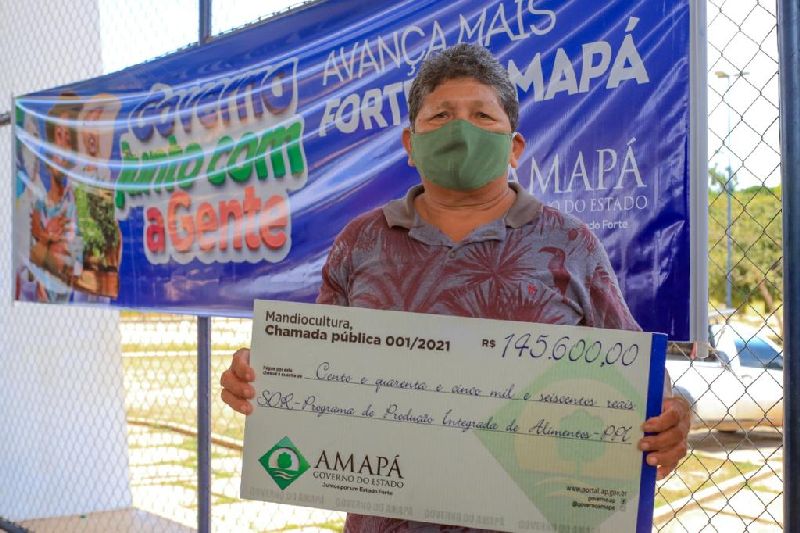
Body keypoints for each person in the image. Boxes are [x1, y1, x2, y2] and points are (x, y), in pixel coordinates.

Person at [221, 43, 691, 532]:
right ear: (410, 144)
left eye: (482, 116)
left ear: (514, 147)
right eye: (440, 115)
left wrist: (675, 412)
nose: (461, 130)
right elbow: (317, 368)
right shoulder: (361, 242)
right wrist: (262, 376)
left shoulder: (569, 243)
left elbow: (637, 376)